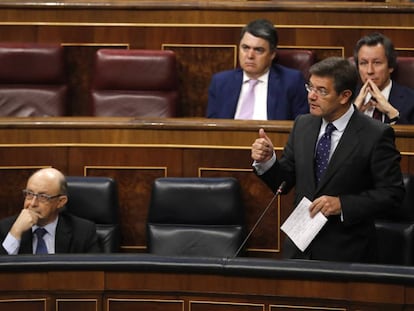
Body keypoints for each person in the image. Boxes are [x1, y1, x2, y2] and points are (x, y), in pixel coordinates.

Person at [251, 56, 405, 263]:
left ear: (344, 96)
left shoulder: (375, 134)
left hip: (347, 253)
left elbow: (392, 194)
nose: (311, 97)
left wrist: (343, 204)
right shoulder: (303, 125)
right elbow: (284, 181)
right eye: (310, 88)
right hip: (299, 249)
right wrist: (268, 160)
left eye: (321, 91)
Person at [206, 18, 309, 120]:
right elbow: (211, 128)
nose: (250, 55)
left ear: (272, 54)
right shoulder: (220, 82)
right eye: (245, 48)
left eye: (258, 50)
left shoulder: (291, 82)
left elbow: (301, 127)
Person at [0, 168, 101, 255]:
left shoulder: (83, 232)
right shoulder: (6, 229)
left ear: (61, 202)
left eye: (43, 197)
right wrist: (15, 233)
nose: (33, 203)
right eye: (29, 194)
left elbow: (94, 274)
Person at [353, 32, 414, 124]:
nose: (369, 71)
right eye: (363, 63)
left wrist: (391, 112)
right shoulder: (346, 98)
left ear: (390, 66)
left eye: (377, 63)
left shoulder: (411, 100)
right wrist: (352, 114)